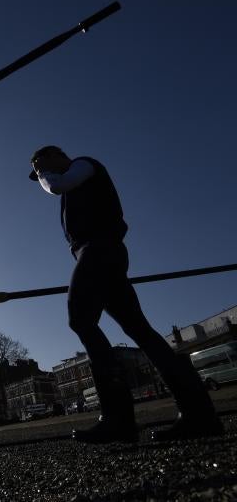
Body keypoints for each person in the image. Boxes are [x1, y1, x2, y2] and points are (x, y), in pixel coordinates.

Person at [29, 145, 223, 443]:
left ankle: (118, 418)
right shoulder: (74, 184)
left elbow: (56, 185)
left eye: (42, 166)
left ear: (55, 155)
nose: (42, 174)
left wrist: (44, 174)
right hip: (99, 254)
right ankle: (199, 412)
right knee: (139, 329)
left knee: (81, 319)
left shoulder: (83, 165)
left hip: (98, 250)